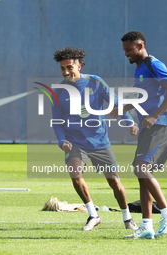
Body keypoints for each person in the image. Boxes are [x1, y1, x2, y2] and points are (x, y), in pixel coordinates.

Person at [51, 46, 138, 231]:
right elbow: (57, 122)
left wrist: (129, 121)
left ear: (79, 66)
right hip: (74, 143)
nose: (66, 72)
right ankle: (93, 214)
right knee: (75, 176)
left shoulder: (95, 82)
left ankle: (127, 218)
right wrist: (61, 140)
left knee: (114, 181)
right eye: (62, 68)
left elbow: (115, 103)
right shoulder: (58, 92)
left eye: (69, 67)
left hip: (99, 141)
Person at [113, 30, 167, 239]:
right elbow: (143, 98)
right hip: (148, 126)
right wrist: (123, 108)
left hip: (161, 124)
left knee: (141, 167)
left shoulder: (154, 64)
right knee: (142, 175)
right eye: (124, 50)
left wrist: (156, 116)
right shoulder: (140, 68)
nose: (126, 54)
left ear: (140, 46)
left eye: (129, 49)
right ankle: (147, 226)